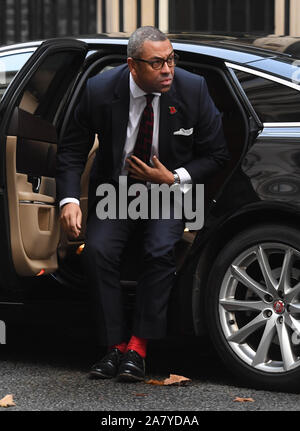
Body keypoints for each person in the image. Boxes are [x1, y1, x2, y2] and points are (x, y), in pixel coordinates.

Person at [56, 26, 229, 382]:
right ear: (133, 66)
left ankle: (138, 347)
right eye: (157, 63)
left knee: (159, 250)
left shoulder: (192, 89)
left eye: (171, 59)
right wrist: (69, 199)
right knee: (97, 252)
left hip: (171, 191)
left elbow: (217, 154)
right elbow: (72, 149)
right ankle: (113, 347)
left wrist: (174, 177)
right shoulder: (100, 90)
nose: (168, 69)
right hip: (116, 193)